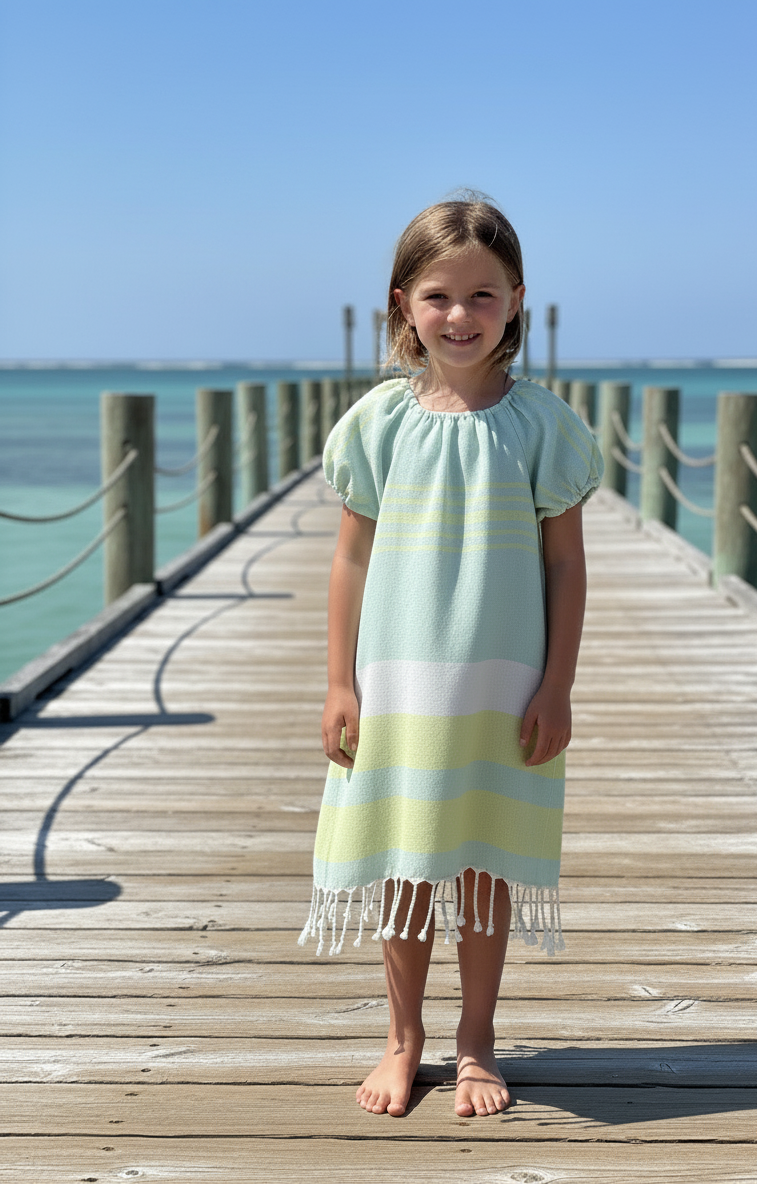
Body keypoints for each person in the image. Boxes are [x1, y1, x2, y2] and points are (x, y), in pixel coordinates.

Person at [299, 195, 603, 1119]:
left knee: (479, 860)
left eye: (482, 294)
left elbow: (565, 565)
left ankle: (476, 1041)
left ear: (516, 300)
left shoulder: (545, 428)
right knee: (403, 858)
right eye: (438, 296)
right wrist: (339, 681)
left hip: (501, 681)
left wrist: (558, 685)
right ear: (403, 304)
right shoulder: (377, 426)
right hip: (397, 681)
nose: (460, 315)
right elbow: (351, 558)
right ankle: (403, 1038)